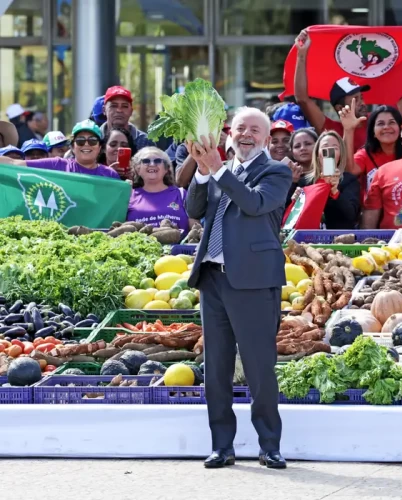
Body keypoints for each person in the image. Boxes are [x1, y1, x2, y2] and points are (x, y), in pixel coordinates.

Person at [185, 107, 291, 470]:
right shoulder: (218, 169)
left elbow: (255, 203)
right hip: (212, 279)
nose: (246, 135)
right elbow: (193, 208)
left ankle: (270, 445)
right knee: (215, 368)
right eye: (240, 128)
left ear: (265, 139)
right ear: (230, 134)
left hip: (252, 281)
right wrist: (201, 172)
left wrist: (217, 169)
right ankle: (222, 445)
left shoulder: (276, 171)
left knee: (260, 367)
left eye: (255, 130)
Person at [294, 30, 402, 152]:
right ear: (339, 108)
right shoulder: (330, 130)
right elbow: (302, 98)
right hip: (346, 197)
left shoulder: (381, 122)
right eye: (355, 99)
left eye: (361, 97)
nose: (362, 102)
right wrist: (302, 55)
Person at [340, 102, 402, 214]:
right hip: (371, 217)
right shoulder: (366, 154)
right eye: (380, 123)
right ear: (373, 132)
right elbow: (349, 171)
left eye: (392, 122)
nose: (386, 127)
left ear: (400, 129)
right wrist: (348, 129)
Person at [1, 120, 119, 179]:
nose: (86, 144)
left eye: (92, 140)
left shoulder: (110, 175)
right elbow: (14, 163)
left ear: (99, 147)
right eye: (80, 140)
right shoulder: (57, 165)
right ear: (72, 147)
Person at [126, 147, 195, 232]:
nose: (152, 164)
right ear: (138, 169)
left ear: (166, 169)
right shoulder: (128, 195)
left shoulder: (181, 194)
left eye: (157, 161)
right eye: (146, 161)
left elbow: (195, 228)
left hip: (177, 245)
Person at [306, 130, 361, 229]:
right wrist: (297, 200)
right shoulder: (305, 182)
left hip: (339, 239)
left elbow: (351, 214)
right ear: (318, 154)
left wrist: (335, 192)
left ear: (340, 154)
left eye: (334, 148)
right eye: (325, 147)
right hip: (309, 238)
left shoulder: (349, 180)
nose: (329, 150)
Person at [101, 86, 153, 150]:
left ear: (131, 111)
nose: (119, 110)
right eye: (113, 106)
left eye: (124, 106)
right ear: (104, 110)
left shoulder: (145, 142)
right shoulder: (94, 140)